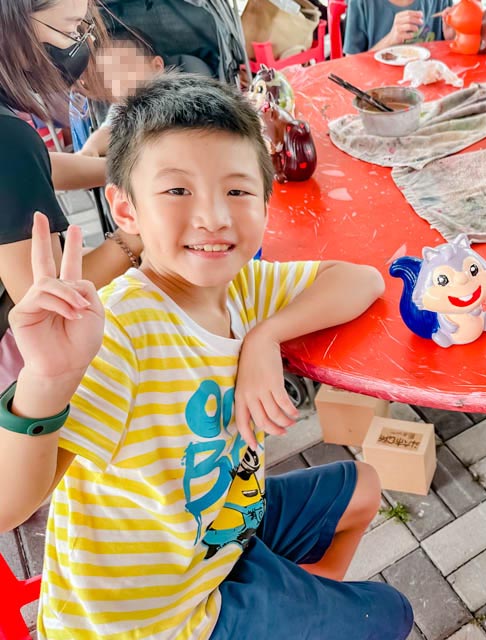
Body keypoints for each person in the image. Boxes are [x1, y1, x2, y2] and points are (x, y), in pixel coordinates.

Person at [0, 73, 413, 640]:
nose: (214, 217)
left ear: (266, 202)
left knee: (364, 488)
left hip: (215, 543)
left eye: (238, 191)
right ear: (125, 210)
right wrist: (46, 381)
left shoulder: (239, 286)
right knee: (388, 615)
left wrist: (265, 339)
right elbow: (9, 506)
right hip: (144, 622)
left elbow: (361, 280)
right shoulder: (120, 332)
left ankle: (284, 604)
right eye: (177, 191)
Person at [0, 0, 143, 389]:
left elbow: (37, 164)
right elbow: (53, 303)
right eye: (70, 28)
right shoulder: (8, 140)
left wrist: (125, 167)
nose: (78, 44)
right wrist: (144, 227)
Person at [79, 29, 164, 157]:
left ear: (156, 67)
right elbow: (108, 131)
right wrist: (91, 148)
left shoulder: (180, 95)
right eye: (110, 77)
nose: (118, 82)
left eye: (124, 70)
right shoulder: (121, 107)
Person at [343, 0, 454, 55]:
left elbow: (451, 62)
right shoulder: (361, 3)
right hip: (378, 91)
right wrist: (390, 39)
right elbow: (351, 66)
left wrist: (452, 40)